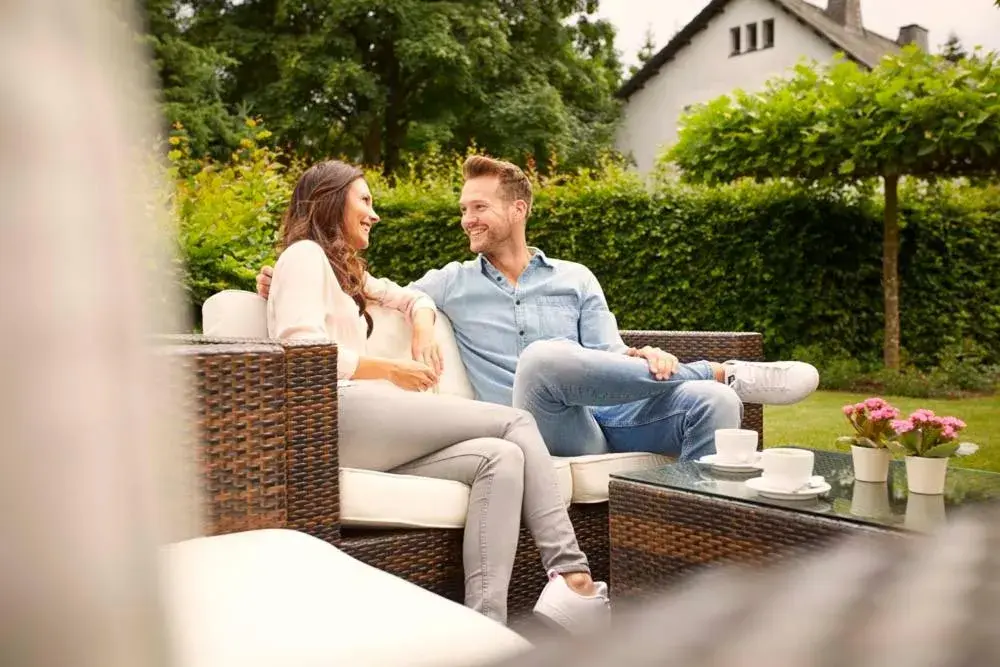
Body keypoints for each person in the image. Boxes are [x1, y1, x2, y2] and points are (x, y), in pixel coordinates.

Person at [258, 156, 818, 462]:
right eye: (461, 209)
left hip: (604, 421)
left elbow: (605, 356)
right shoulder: (451, 281)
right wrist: (280, 279)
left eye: (478, 207)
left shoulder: (577, 279)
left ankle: (690, 549)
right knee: (544, 361)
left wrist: (640, 354)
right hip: (536, 427)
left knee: (712, 402)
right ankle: (719, 366)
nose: (466, 219)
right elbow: (388, 291)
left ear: (518, 209)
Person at [265, 159, 609, 630]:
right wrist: (388, 369)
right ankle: (574, 579)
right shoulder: (304, 256)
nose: (374, 213)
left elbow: (413, 297)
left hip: (369, 430)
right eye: (364, 200)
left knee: (500, 458)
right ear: (330, 199)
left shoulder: (342, 271)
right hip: (334, 415)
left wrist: (423, 328)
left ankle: (486, 627)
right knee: (515, 422)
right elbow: (300, 351)